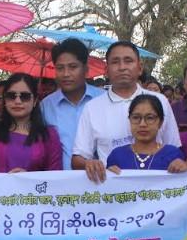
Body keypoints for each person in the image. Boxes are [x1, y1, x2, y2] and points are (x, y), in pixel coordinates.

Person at [72, 41, 180, 182]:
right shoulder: (92, 108)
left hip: (157, 188)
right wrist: (90, 164)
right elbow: (77, 158)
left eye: (128, 61)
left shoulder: (160, 101)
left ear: (140, 68)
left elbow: (175, 148)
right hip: (112, 189)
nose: (122, 67)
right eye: (115, 62)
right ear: (106, 70)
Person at [40, 38, 104, 170]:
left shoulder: (103, 100)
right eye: (60, 68)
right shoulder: (46, 106)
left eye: (73, 67)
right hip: (59, 180)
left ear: (86, 69)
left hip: (101, 179)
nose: (66, 74)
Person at [0, 73, 62, 172]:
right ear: (5, 100)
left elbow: (55, 175)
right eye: (11, 96)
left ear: (35, 100)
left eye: (25, 96)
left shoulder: (49, 135)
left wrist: (28, 178)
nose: (17, 101)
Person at [105, 95, 187, 173]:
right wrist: (108, 175)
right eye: (136, 117)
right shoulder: (117, 156)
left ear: (160, 122)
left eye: (150, 118)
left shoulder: (173, 154)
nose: (142, 124)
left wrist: (186, 169)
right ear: (130, 120)